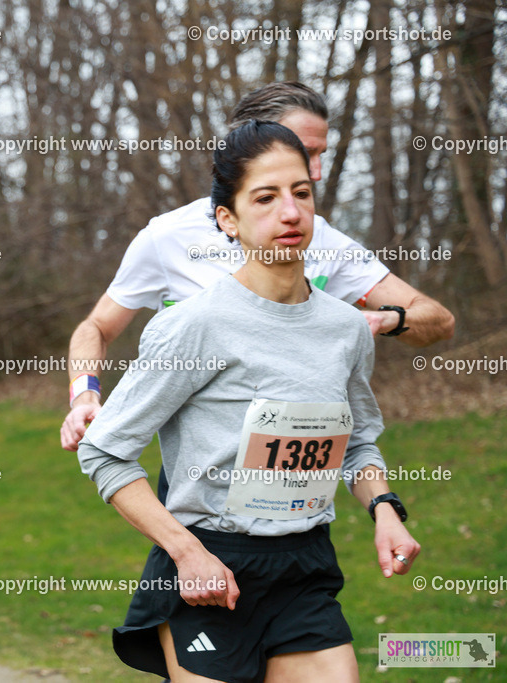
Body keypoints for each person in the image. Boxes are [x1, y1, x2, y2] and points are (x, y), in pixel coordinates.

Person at [77, 121, 421, 682]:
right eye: (265, 198)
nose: (290, 213)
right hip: (211, 567)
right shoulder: (193, 326)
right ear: (227, 220)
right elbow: (104, 452)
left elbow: (356, 441)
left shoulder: (346, 329)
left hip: (304, 566)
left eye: (301, 194)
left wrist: (385, 510)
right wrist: (187, 553)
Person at [62, 82, 455, 453]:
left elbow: (437, 321)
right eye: (302, 150)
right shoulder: (168, 237)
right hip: (196, 489)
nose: (314, 172)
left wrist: (382, 320)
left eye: (319, 155)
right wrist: (85, 394)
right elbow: (96, 328)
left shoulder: (321, 239)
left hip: (296, 479)